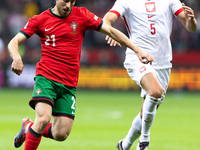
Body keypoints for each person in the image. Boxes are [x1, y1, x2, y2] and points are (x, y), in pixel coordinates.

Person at [8, 0, 153, 150]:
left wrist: (137, 50)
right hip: (46, 78)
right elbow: (14, 41)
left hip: (68, 84)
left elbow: (110, 31)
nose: (68, 6)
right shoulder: (40, 19)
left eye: (72, 1)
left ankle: (28, 127)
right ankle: (34, 128)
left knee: (60, 133)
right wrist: (17, 58)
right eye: (65, 1)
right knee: (43, 118)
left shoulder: (82, 15)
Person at [103, 0, 197, 150]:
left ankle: (125, 144)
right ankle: (144, 142)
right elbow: (107, 19)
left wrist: (191, 20)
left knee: (146, 112)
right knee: (155, 91)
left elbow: (190, 27)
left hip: (163, 61)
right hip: (138, 56)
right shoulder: (126, 1)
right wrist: (109, 30)